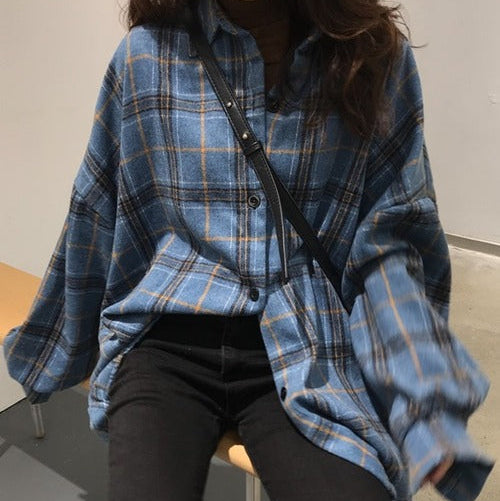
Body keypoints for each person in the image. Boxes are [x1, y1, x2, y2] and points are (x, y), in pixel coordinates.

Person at [3, 0, 494, 500]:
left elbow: (390, 246)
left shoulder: (370, 59)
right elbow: (97, 205)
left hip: (307, 341)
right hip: (167, 340)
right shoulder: (147, 56)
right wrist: (52, 347)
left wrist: (425, 404)